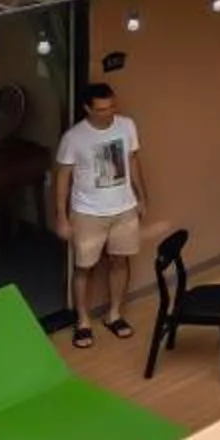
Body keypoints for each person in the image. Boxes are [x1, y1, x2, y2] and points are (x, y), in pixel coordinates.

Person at [54, 81, 146, 345]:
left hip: (124, 208)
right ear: (88, 109)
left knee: (120, 261)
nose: (109, 113)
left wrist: (141, 197)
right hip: (87, 212)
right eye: (103, 109)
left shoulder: (126, 126)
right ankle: (83, 320)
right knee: (84, 267)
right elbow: (63, 177)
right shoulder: (74, 137)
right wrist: (61, 216)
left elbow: (133, 161)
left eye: (112, 106)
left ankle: (114, 314)